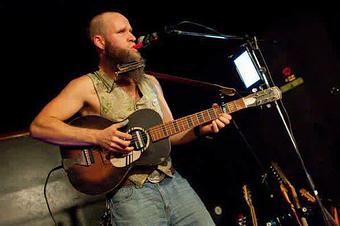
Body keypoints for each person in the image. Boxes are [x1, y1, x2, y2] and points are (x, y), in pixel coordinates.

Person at [30, 11, 232, 226]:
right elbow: (40, 126)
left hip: (175, 184)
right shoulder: (85, 86)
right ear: (100, 42)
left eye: (131, 31)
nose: (132, 36)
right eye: (121, 31)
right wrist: (98, 137)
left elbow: (170, 133)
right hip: (131, 197)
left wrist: (201, 129)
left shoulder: (151, 82)